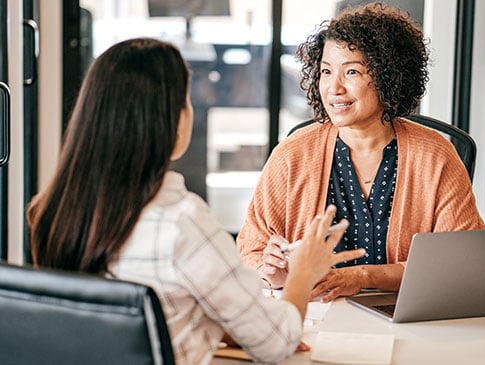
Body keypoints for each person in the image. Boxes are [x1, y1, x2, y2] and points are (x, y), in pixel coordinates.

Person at [26, 38, 364, 364]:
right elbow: (276, 343)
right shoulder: (182, 222)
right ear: (170, 122)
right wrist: (303, 273)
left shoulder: (52, 211)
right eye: (186, 100)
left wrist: (224, 326)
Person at [237, 2, 485, 303]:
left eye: (351, 71)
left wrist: (364, 276)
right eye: (326, 71)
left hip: (407, 317)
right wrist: (273, 272)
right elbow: (251, 250)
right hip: (313, 313)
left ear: (387, 75)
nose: (334, 88)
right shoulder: (291, 155)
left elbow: (459, 262)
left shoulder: (435, 155)